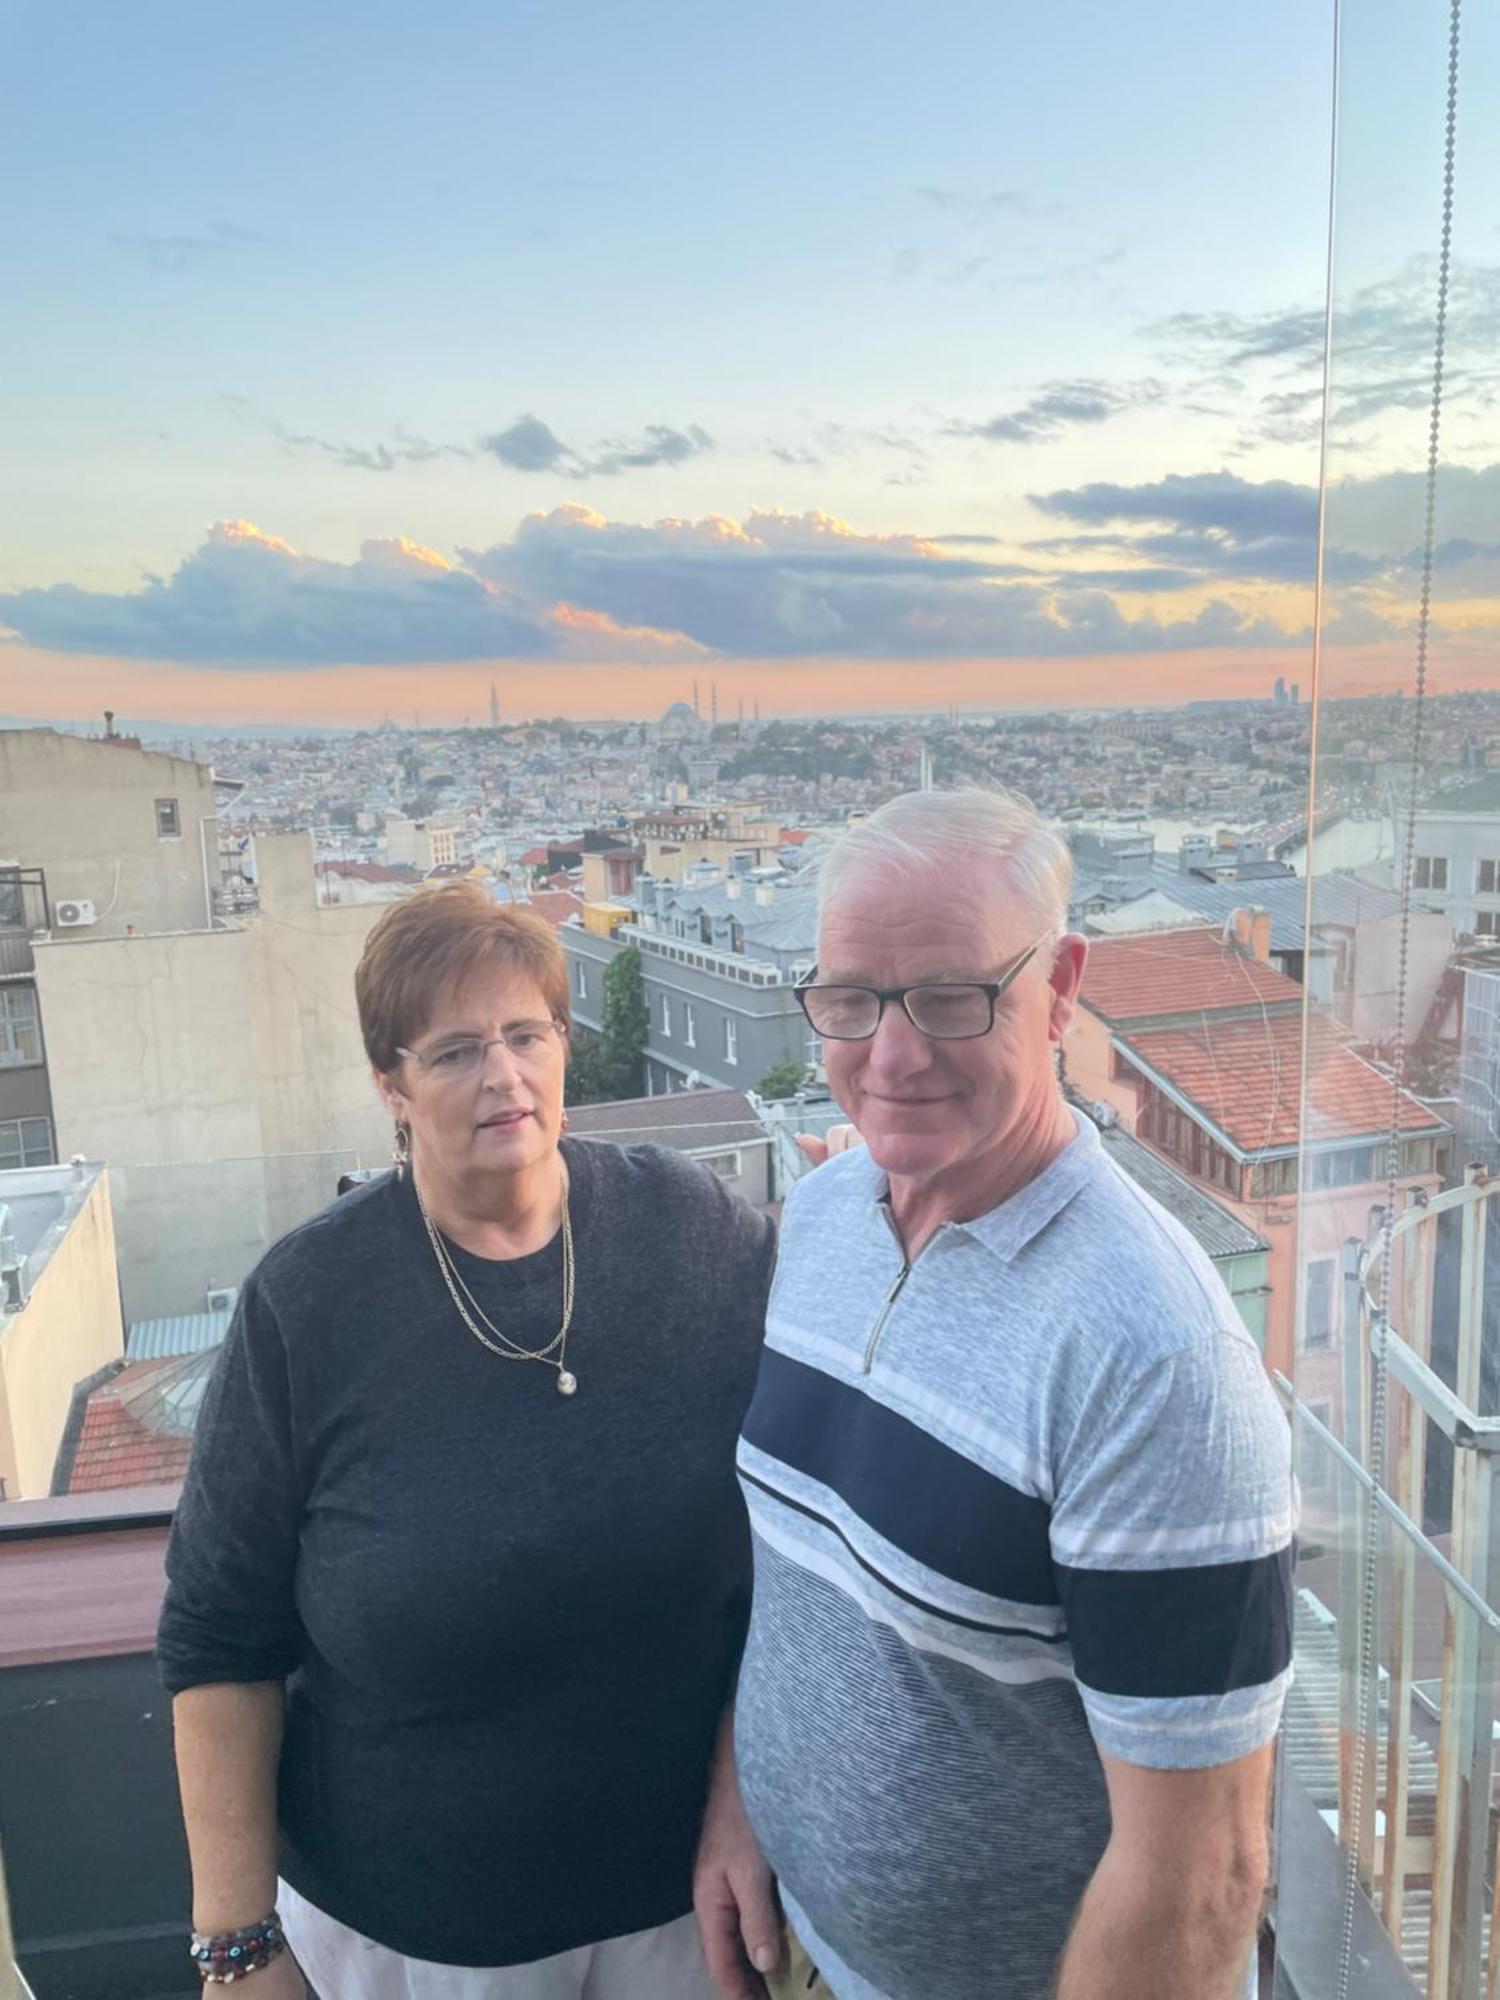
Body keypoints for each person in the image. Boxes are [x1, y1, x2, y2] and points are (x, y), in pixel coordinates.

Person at [695, 789, 1294, 2000]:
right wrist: (740, 1801)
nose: (894, 1052)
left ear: (1062, 985)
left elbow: (1200, 1881)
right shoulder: (819, 1219)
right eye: (853, 998)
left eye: (954, 997)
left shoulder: (1152, 1353)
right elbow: (798, 1583)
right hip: (799, 1942)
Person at [159, 882, 775, 2000]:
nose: (504, 1075)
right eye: (452, 1052)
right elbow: (216, 1634)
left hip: (684, 1913)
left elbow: (800, 1524)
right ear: (390, 1085)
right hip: (412, 1943)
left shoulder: (697, 1235)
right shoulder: (309, 1303)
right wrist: (237, 1944)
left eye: (527, 1034)